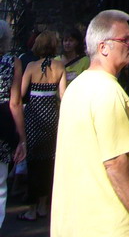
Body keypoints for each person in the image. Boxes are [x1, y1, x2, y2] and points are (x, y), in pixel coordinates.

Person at [50, 10, 129, 237]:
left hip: (71, 224)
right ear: (103, 47)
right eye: (126, 39)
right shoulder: (108, 93)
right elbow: (116, 162)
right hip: (106, 226)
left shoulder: (76, 87)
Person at [18, 31, 66, 220]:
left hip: (33, 117)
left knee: (33, 162)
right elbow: (63, 96)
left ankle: (31, 208)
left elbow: (22, 93)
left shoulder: (31, 66)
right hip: (51, 118)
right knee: (48, 161)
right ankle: (43, 205)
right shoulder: (60, 66)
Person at [0, 20, 27, 229]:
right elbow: (15, 102)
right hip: (2, 121)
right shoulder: (13, 62)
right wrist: (22, 139)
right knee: (0, 183)